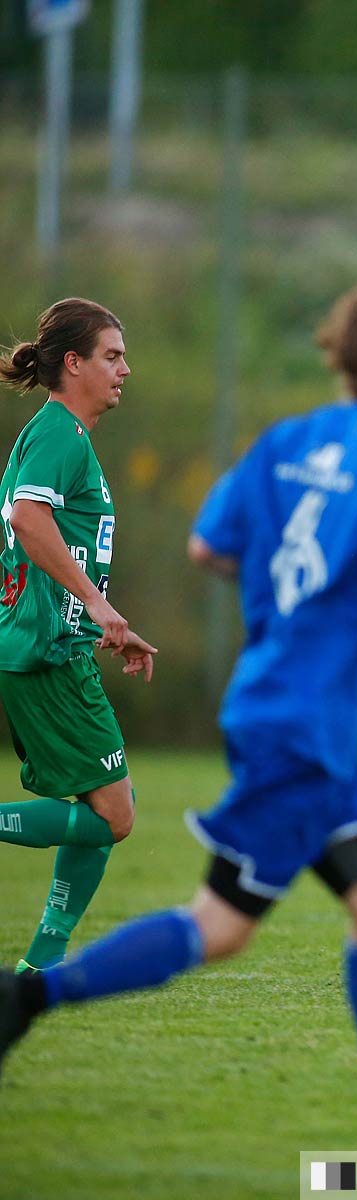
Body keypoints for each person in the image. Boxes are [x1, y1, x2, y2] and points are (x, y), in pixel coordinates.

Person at [0, 277, 357, 1155]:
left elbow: (210, 545)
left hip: (275, 706)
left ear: (343, 358)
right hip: (306, 727)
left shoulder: (288, 441)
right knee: (221, 927)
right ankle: (28, 999)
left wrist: (294, 589)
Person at [0, 299, 157, 977]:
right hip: (46, 656)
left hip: (51, 646)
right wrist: (94, 605)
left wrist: (95, 616)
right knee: (114, 817)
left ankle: (43, 963)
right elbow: (28, 517)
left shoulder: (61, 436)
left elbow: (44, 543)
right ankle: (44, 960)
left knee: (104, 807)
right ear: (74, 363)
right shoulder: (60, 433)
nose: (125, 369)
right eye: (111, 356)